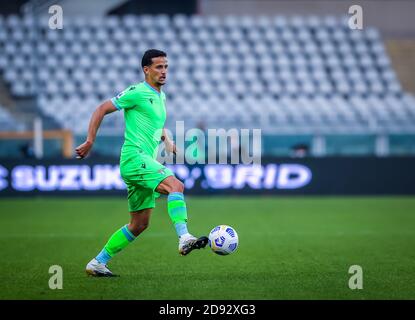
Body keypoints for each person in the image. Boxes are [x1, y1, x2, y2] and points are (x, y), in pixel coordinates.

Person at [75, 49, 208, 277]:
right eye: (158, 67)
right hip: (134, 157)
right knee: (176, 186)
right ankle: (184, 237)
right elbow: (101, 109)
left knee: (139, 224)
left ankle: (98, 262)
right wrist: (90, 140)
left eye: (166, 66)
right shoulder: (136, 92)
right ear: (146, 69)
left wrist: (167, 139)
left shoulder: (160, 96)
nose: (164, 71)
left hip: (142, 160)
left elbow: (154, 125)